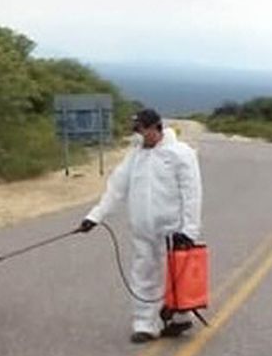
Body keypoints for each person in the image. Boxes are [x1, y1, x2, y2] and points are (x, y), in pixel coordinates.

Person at [76, 109, 203, 343]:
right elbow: (116, 189)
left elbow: (192, 194)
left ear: (156, 127)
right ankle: (145, 324)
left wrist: (189, 230)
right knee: (144, 274)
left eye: (142, 129)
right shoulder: (135, 156)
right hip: (143, 229)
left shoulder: (180, 154)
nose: (139, 134)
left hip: (172, 229)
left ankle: (180, 317)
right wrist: (95, 217)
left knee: (177, 277)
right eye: (136, 129)